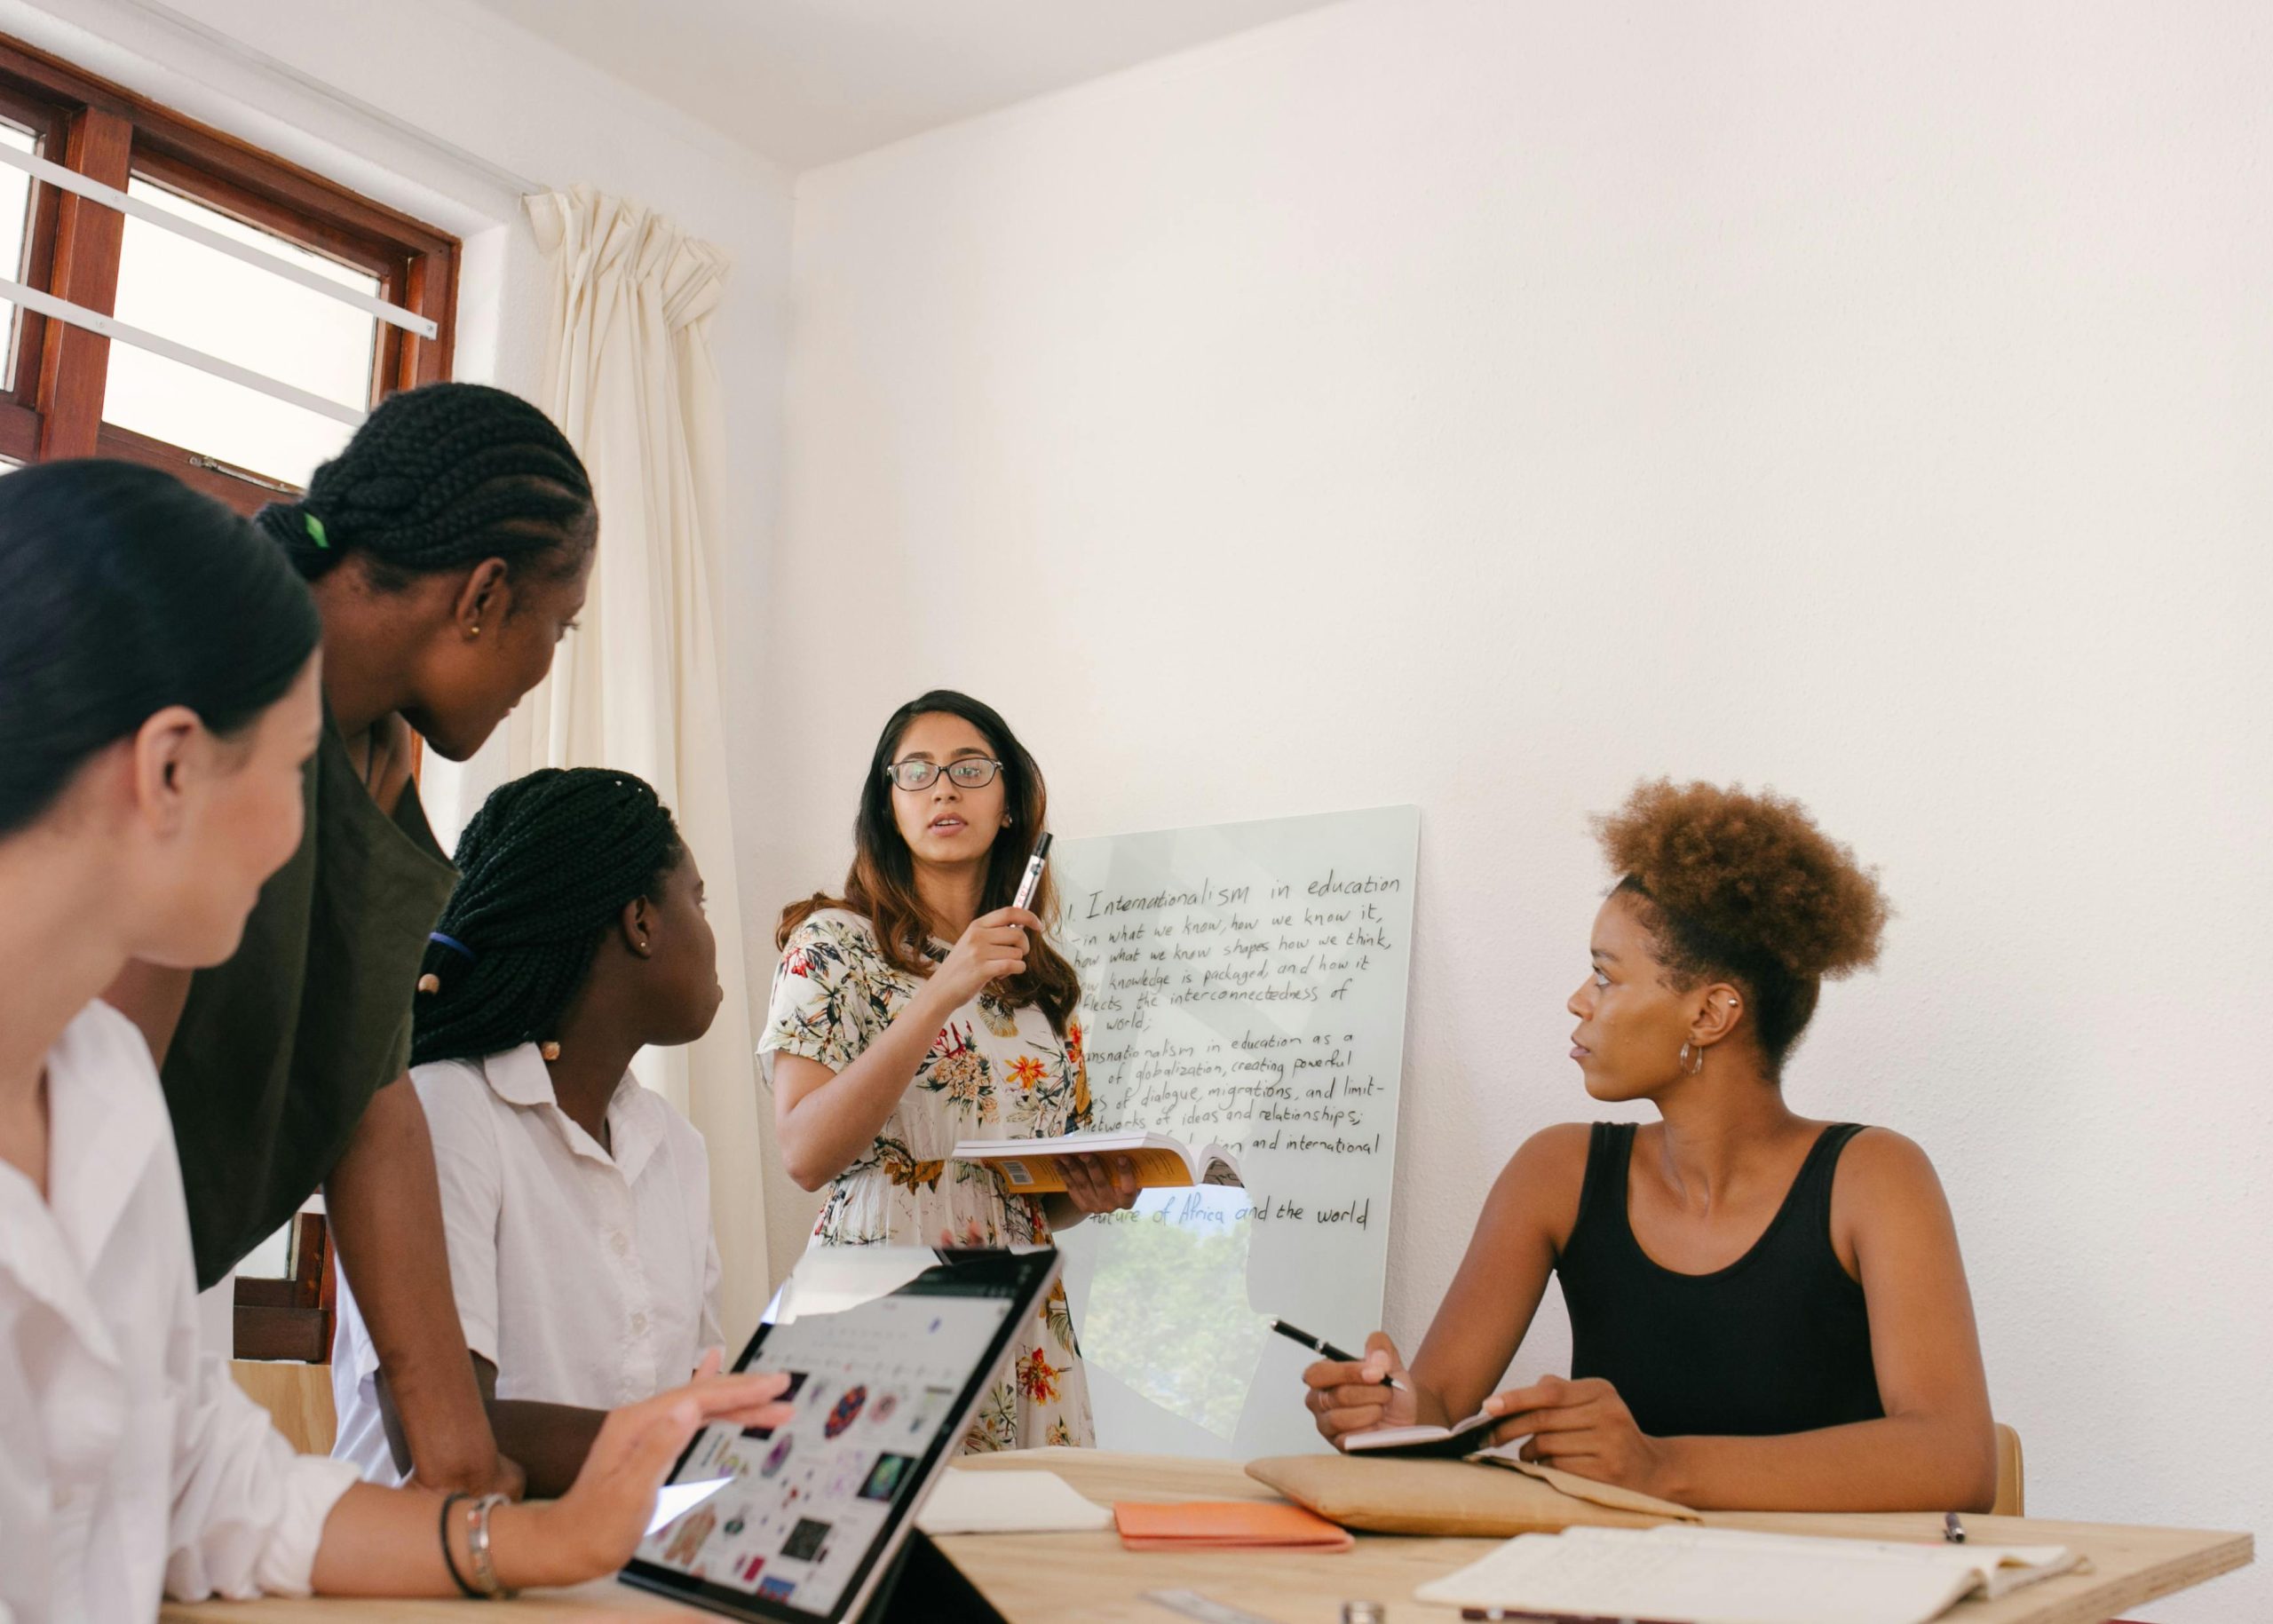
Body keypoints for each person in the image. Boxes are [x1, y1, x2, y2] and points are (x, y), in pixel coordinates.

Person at [0, 461, 788, 1620]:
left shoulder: (108, 1089)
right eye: (290, 775)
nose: (313, 839)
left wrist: (548, 1534)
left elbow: (219, 1488)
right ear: (170, 769)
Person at [102, 381, 597, 1496]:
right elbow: (98, 1088)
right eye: (555, 628)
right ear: (481, 596)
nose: (545, 667)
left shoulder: (373, 760)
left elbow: (372, 1103)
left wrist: (460, 1459)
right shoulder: (215, 673)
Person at [1303, 780, 1999, 1512]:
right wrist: (1397, 1414)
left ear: (1709, 1013)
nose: (1579, 998)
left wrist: (1660, 1467)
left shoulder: (1875, 1178)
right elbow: (1440, 1401)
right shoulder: (1556, 1172)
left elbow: (1956, 1460)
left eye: (1606, 974)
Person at [332, 767, 728, 1497]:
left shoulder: (675, 1146)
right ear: (641, 921)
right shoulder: (446, 1110)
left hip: (608, 1570)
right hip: (425, 1586)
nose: (711, 933)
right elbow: (439, 1434)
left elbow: (699, 1393)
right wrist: (699, 1442)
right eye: (697, 900)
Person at [764, 690, 1138, 1449]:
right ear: (888, 806)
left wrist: (1088, 1195)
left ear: (1008, 804)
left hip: (1021, 1304)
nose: (943, 787)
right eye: (917, 772)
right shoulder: (832, 943)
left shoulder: (1043, 983)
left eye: (969, 768)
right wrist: (941, 990)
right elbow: (804, 1153)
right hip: (883, 1289)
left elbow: (1029, 1190)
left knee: (1023, 1554)